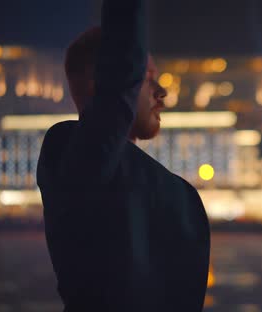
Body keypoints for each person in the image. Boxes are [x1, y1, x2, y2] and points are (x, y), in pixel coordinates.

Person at [36, 0, 210, 311]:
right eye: (146, 77)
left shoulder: (129, 173)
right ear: (106, 81)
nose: (162, 92)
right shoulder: (70, 153)